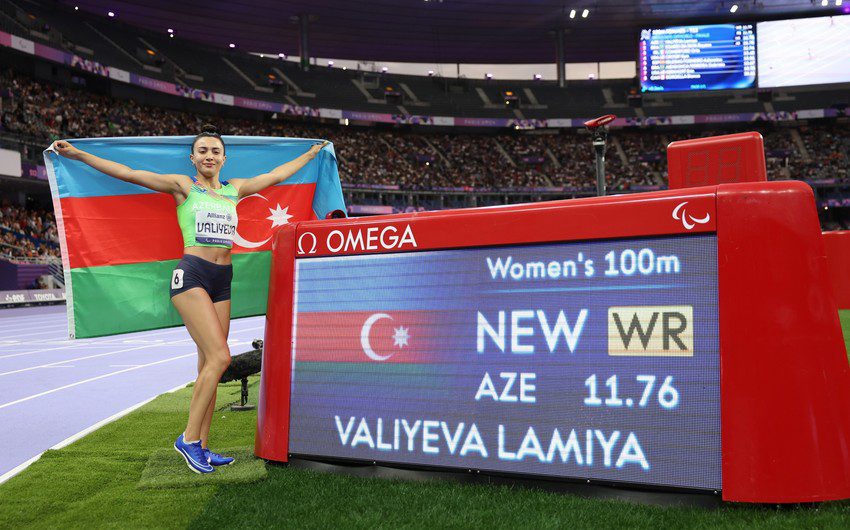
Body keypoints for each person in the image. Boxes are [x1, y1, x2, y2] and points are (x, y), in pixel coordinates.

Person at [52, 125, 327, 474]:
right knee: (221, 356)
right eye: (203, 151)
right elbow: (129, 173)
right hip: (192, 276)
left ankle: (204, 446)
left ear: (224, 158)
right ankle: (189, 439)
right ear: (193, 158)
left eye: (215, 151)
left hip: (222, 281)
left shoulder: (235, 189)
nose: (209, 156)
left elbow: (276, 175)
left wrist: (311, 154)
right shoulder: (183, 186)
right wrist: (78, 155)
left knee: (210, 365)